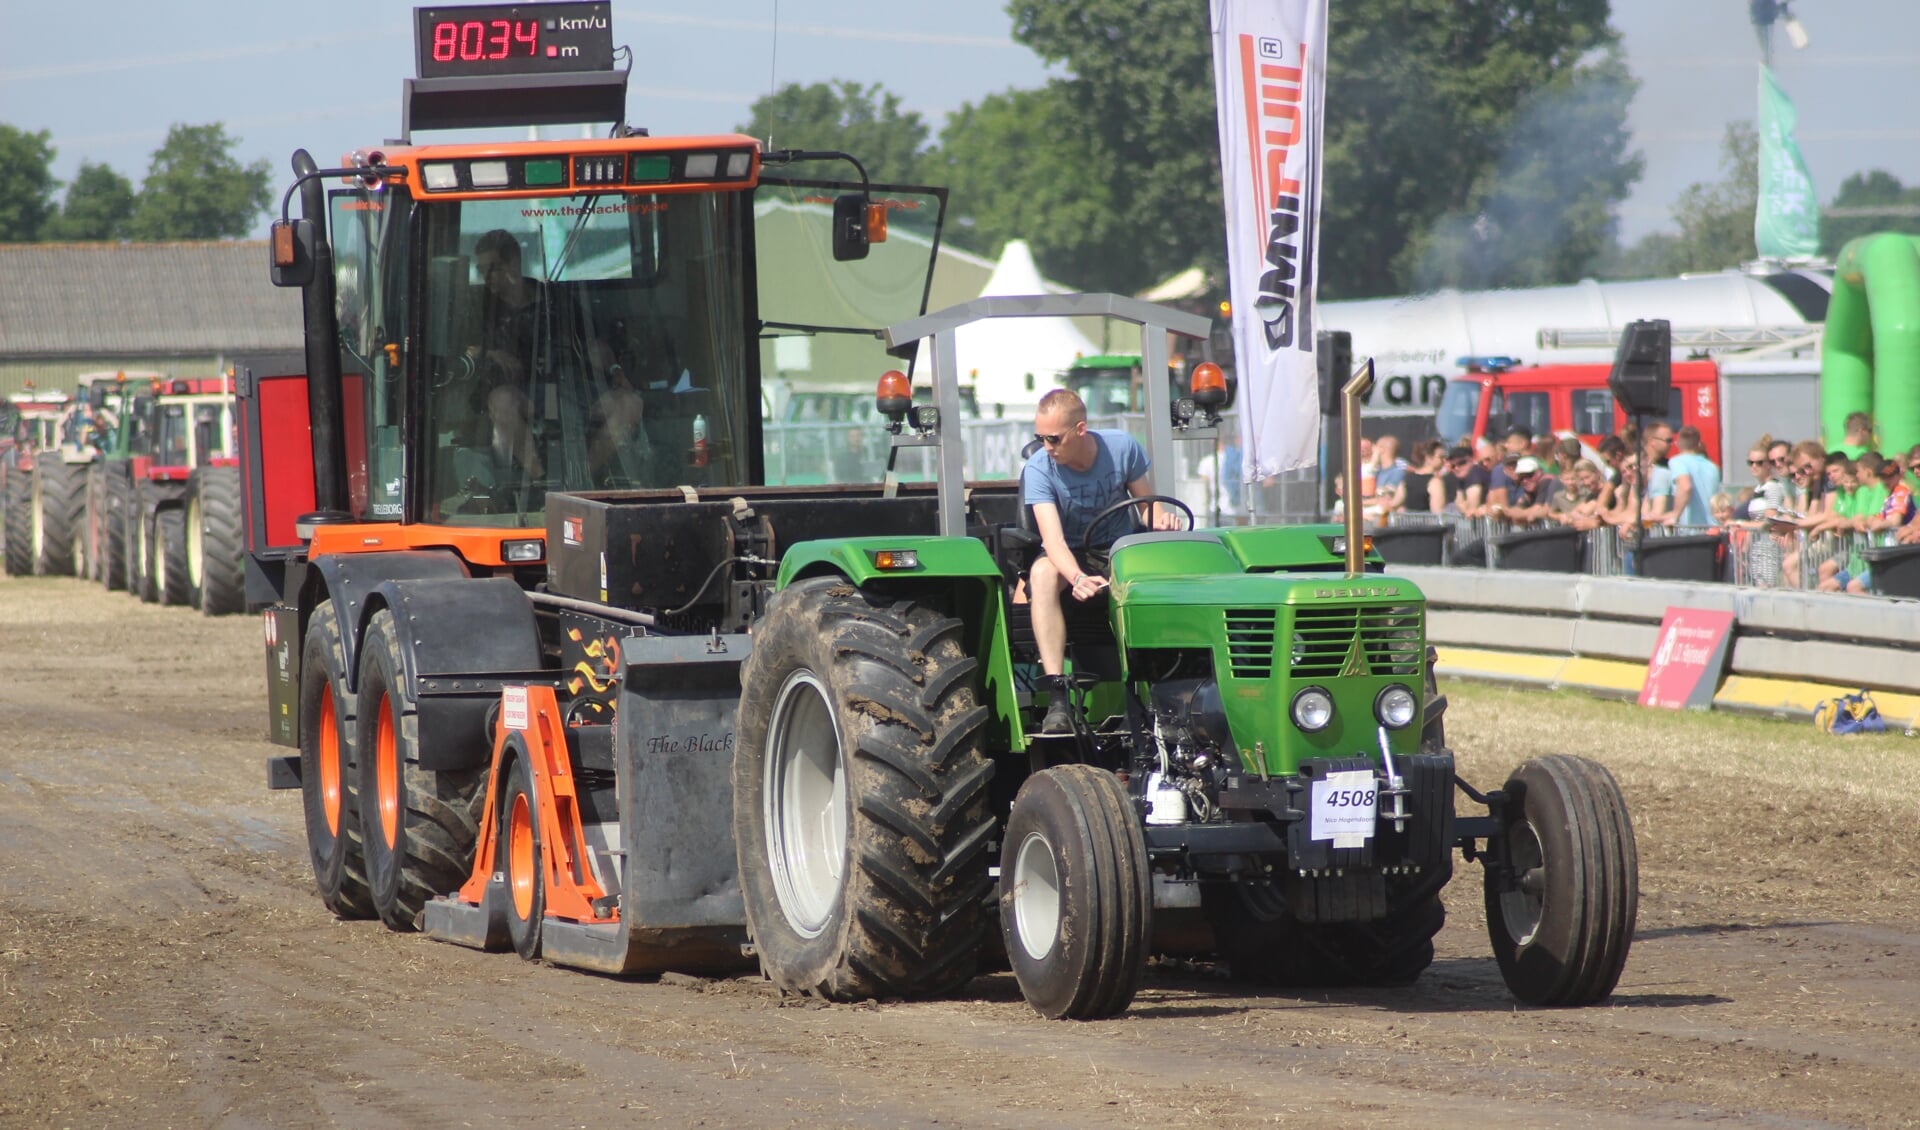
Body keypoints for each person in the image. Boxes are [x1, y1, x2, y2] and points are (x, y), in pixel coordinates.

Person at [1023, 388, 1178, 733]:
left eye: (1053, 438)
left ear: (1080, 429)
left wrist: (1161, 518)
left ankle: (1165, 687)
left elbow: (1147, 507)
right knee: (1043, 573)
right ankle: (1058, 699)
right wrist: (1077, 578)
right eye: (1040, 438)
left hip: (1121, 549)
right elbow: (1053, 540)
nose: (1047, 447)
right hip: (1072, 555)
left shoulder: (1121, 447)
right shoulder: (1039, 469)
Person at [1666, 425, 1722, 529]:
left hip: (1691, 530)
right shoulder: (1713, 467)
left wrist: (1675, 515)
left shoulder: (1677, 462)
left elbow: (1685, 487)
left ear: (1678, 444)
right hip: (1713, 529)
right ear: (1698, 444)